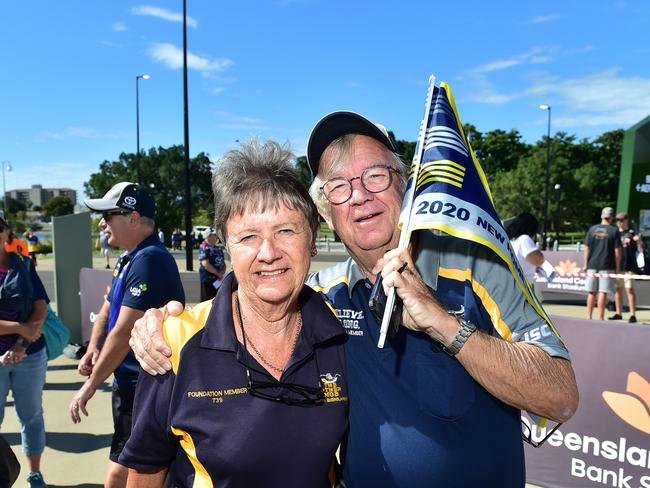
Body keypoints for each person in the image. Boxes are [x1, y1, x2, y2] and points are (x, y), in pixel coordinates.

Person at [131, 112, 578, 486]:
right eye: (339, 186)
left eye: (375, 176)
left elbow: (561, 397)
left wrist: (445, 325)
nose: (359, 196)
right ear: (325, 212)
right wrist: (159, 321)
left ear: (406, 187)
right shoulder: (328, 295)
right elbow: (258, 294)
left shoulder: (478, 266)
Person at [119, 140, 347, 487]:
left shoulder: (341, 334)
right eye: (248, 237)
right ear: (226, 246)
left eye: (286, 230)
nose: (268, 252)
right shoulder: (174, 342)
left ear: (313, 237)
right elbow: (146, 469)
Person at [68, 182, 185, 488]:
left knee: (125, 467)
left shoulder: (149, 260)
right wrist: (93, 347)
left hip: (143, 387)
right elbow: (108, 308)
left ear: (133, 217)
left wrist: (89, 387)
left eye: (108, 215)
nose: (101, 223)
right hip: (130, 384)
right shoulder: (131, 258)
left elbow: (122, 333)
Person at [0, 215, 49, 488]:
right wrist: (21, 327)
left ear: (7, 232)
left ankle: (34, 473)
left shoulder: (23, 265)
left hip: (29, 355)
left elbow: (40, 308)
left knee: (31, 417)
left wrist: (21, 344)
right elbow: (28, 322)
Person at [583, 206, 621, 320]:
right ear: (611, 218)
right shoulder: (614, 231)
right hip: (607, 264)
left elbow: (586, 247)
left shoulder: (592, 229)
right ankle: (600, 318)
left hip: (592, 264)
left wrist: (585, 263)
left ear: (602, 216)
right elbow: (617, 251)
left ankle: (588, 317)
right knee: (603, 292)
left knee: (591, 292)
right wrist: (617, 267)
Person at [610, 212, 643, 322]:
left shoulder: (632, 233)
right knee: (618, 290)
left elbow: (640, 250)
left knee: (629, 289)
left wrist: (639, 242)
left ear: (626, 220)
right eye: (618, 220)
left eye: (622, 220)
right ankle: (618, 312)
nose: (619, 222)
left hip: (629, 266)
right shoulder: (615, 233)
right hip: (618, 267)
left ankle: (632, 314)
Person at [507, 212, 546, 299]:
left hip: (511, 286)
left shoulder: (510, 240)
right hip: (525, 288)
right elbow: (538, 260)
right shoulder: (524, 239)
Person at [197, 230, 226, 301]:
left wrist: (222, 272)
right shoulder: (203, 248)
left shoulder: (218, 248)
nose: (217, 236)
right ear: (209, 236)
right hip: (208, 279)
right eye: (214, 235)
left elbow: (223, 262)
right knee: (207, 300)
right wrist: (218, 273)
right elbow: (205, 264)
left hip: (219, 278)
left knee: (219, 300)